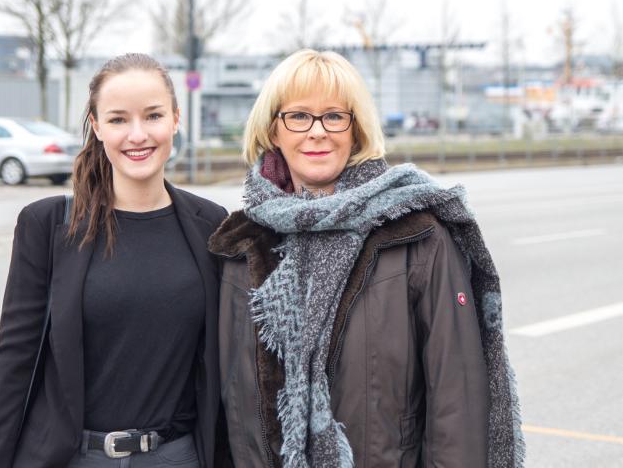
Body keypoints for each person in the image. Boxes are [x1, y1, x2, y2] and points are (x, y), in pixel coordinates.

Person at [208, 49, 524, 467]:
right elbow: (223, 405)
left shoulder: (417, 236)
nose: (317, 132)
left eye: (335, 116)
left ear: (356, 129)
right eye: (299, 116)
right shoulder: (240, 245)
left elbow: (456, 402)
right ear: (273, 129)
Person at [0, 53, 229, 468]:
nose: (137, 134)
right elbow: (15, 366)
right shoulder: (47, 226)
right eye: (117, 120)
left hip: (177, 457)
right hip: (75, 457)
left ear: (176, 119)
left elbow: (226, 369)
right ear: (96, 126)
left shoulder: (211, 225)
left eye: (152, 116)